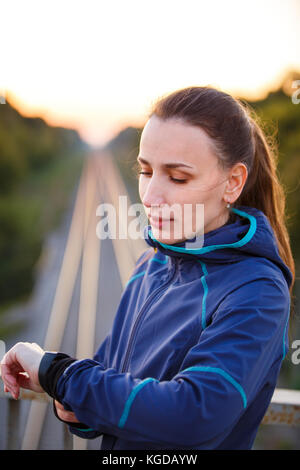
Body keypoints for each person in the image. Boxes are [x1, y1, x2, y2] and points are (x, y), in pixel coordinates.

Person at [1, 86, 295, 450]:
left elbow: (191, 416)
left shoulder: (257, 289)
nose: (151, 196)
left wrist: (56, 373)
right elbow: (107, 376)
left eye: (178, 177)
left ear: (233, 182)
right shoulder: (151, 263)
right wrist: (76, 400)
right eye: (145, 171)